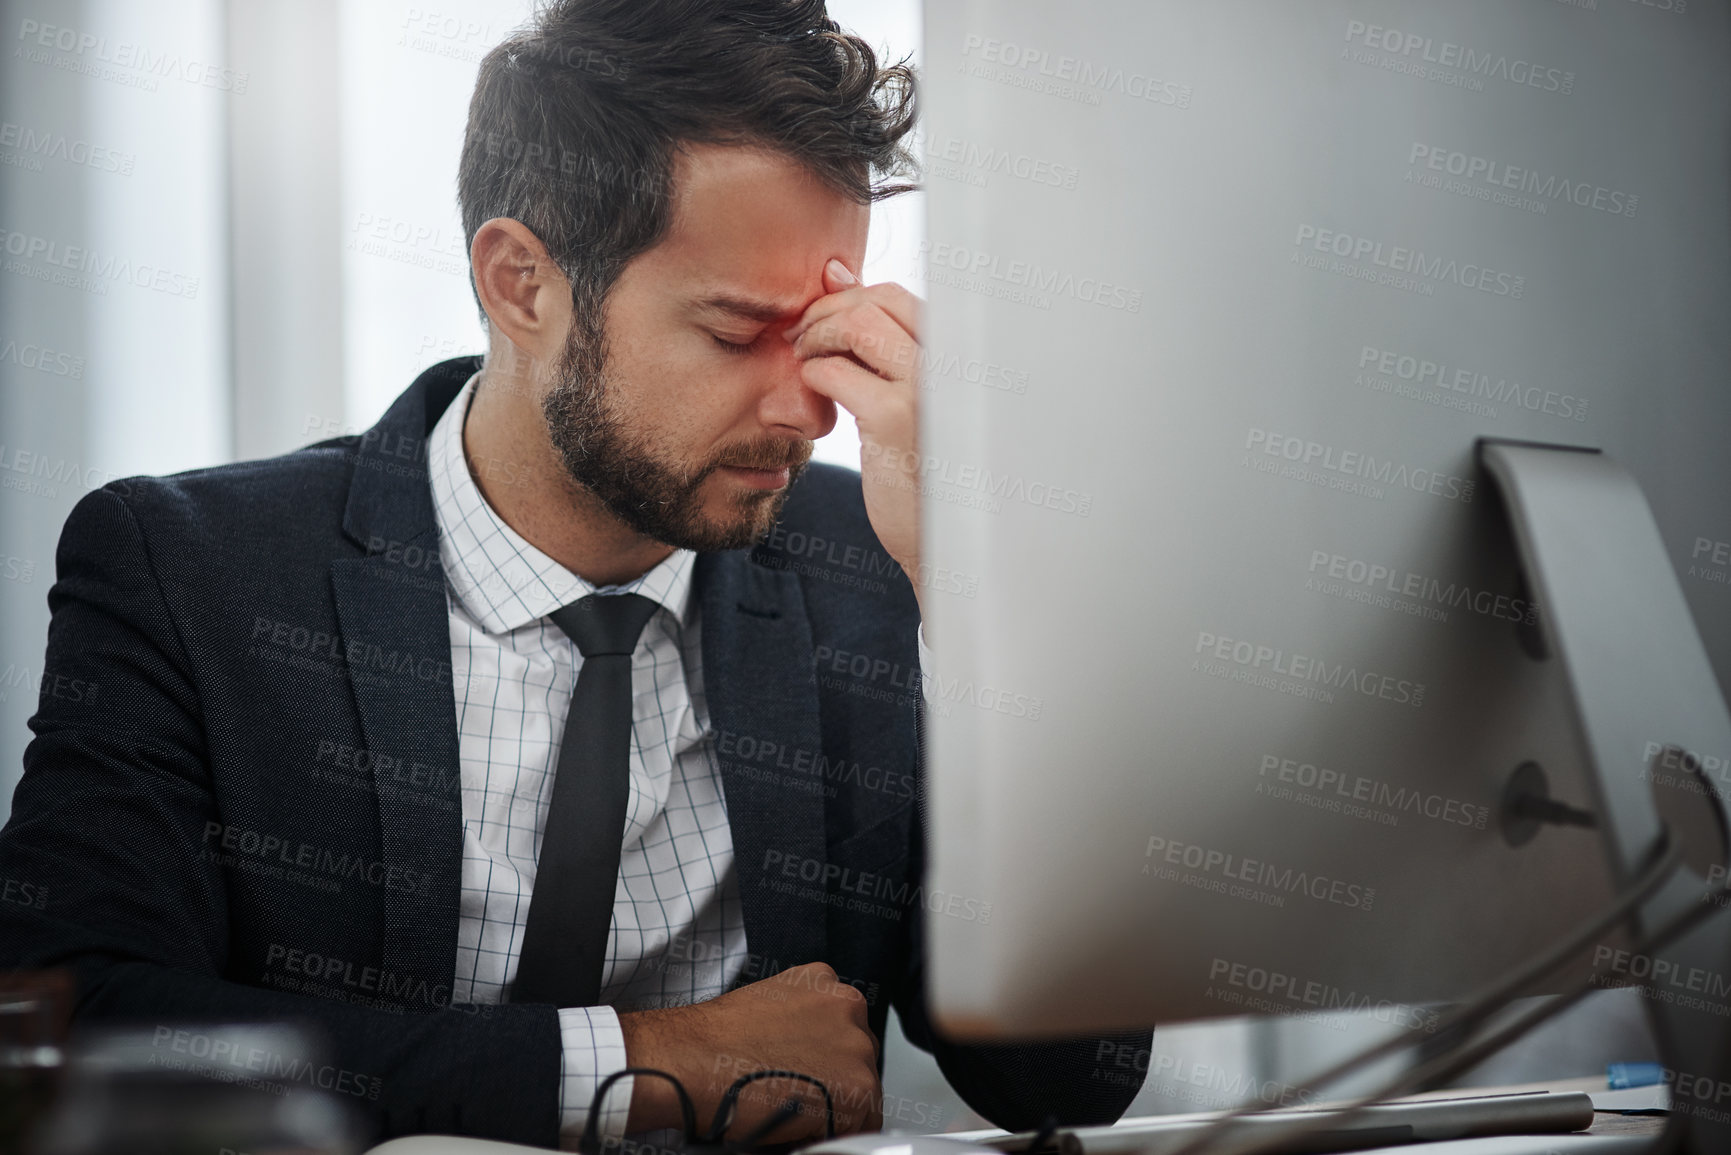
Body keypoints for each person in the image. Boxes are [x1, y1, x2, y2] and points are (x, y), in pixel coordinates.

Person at [0, 0, 1150, 1148]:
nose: (811, 409)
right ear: (522, 285)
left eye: (821, 335)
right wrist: (643, 1061)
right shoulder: (192, 570)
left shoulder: (877, 566)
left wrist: (973, 600)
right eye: (736, 332)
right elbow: (67, 1029)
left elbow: (1067, 1079)